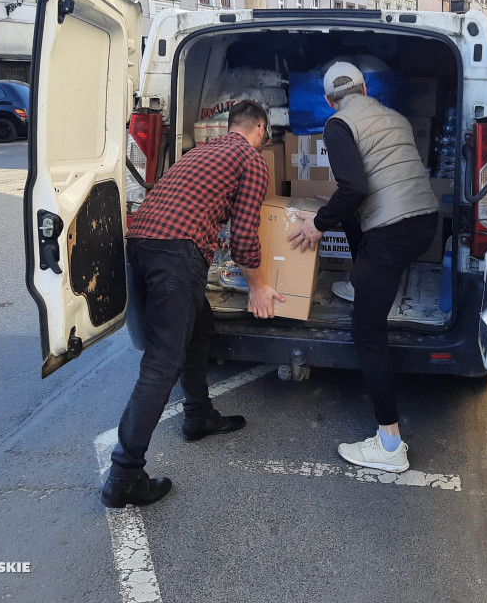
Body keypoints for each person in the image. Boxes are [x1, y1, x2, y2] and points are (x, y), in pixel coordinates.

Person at [101, 100, 285, 509]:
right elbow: (244, 234)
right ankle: (123, 475)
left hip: (141, 245)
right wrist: (257, 286)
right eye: (266, 133)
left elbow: (186, 204)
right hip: (176, 257)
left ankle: (198, 415)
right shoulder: (251, 159)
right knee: (161, 364)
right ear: (259, 128)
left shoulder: (199, 153)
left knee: (199, 326)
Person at [287, 61, 438, 473]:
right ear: (365, 87)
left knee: (367, 333)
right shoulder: (395, 118)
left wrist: (317, 224)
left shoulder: (337, 125)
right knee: (354, 224)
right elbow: (371, 189)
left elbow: (354, 187)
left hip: (392, 232)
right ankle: (363, 281)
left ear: (327, 100)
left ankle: (390, 445)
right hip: (425, 222)